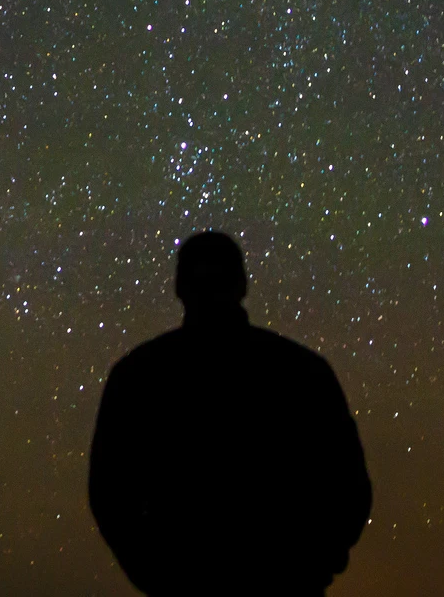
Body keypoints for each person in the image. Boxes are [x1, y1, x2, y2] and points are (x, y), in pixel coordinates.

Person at [88, 231, 371, 596]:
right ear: (242, 285)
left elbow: (111, 495)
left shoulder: (140, 374)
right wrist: (311, 568)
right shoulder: (300, 370)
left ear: (178, 287)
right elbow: (347, 485)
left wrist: (160, 576)